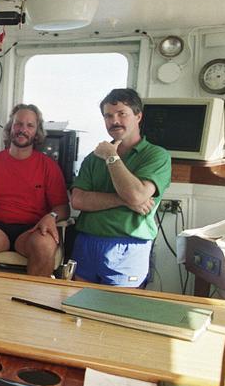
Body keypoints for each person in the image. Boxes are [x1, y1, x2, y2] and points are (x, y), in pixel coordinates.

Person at [70, 88, 171, 287]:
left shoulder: (157, 156)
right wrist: (123, 200)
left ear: (138, 116)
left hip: (129, 247)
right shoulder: (92, 158)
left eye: (122, 114)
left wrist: (111, 156)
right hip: (87, 243)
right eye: (108, 116)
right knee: (77, 308)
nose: (114, 121)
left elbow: (136, 195)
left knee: (116, 312)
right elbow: (78, 200)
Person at [0, 104, 70, 276]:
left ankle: (32, 299)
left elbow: (63, 209)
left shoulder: (48, 166)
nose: (23, 129)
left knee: (45, 244)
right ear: (10, 127)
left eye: (29, 125)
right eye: (18, 124)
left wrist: (52, 216)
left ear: (36, 132)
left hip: (32, 231)